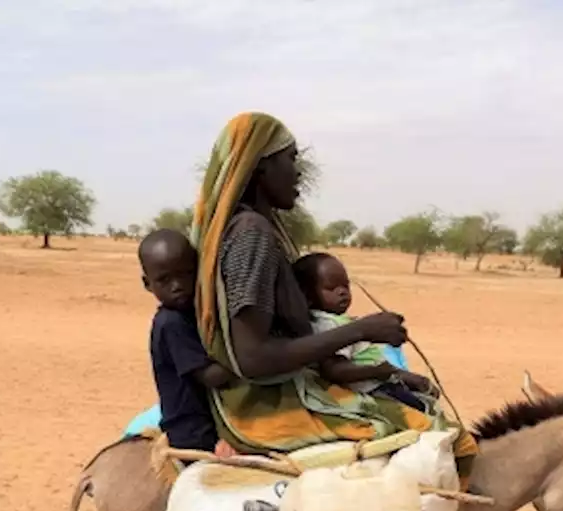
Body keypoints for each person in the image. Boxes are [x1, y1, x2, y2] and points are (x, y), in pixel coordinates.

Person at [188, 111, 478, 485]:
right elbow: (252, 357)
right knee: (438, 433)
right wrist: (359, 331)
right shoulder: (251, 236)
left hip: (288, 383)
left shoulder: (258, 229)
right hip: (268, 402)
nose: (300, 173)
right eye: (290, 159)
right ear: (260, 167)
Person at [291, 251, 437, 412]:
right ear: (307, 295)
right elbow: (334, 370)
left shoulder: (337, 321)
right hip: (375, 390)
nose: (342, 292)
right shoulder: (328, 324)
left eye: (345, 285)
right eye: (331, 288)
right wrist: (376, 372)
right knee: (424, 411)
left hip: (381, 384)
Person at [139, 229, 235, 454]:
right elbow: (211, 376)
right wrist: (252, 358)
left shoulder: (194, 314)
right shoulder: (171, 323)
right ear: (147, 284)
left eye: (186, 274)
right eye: (165, 279)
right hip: (193, 432)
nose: (177, 285)